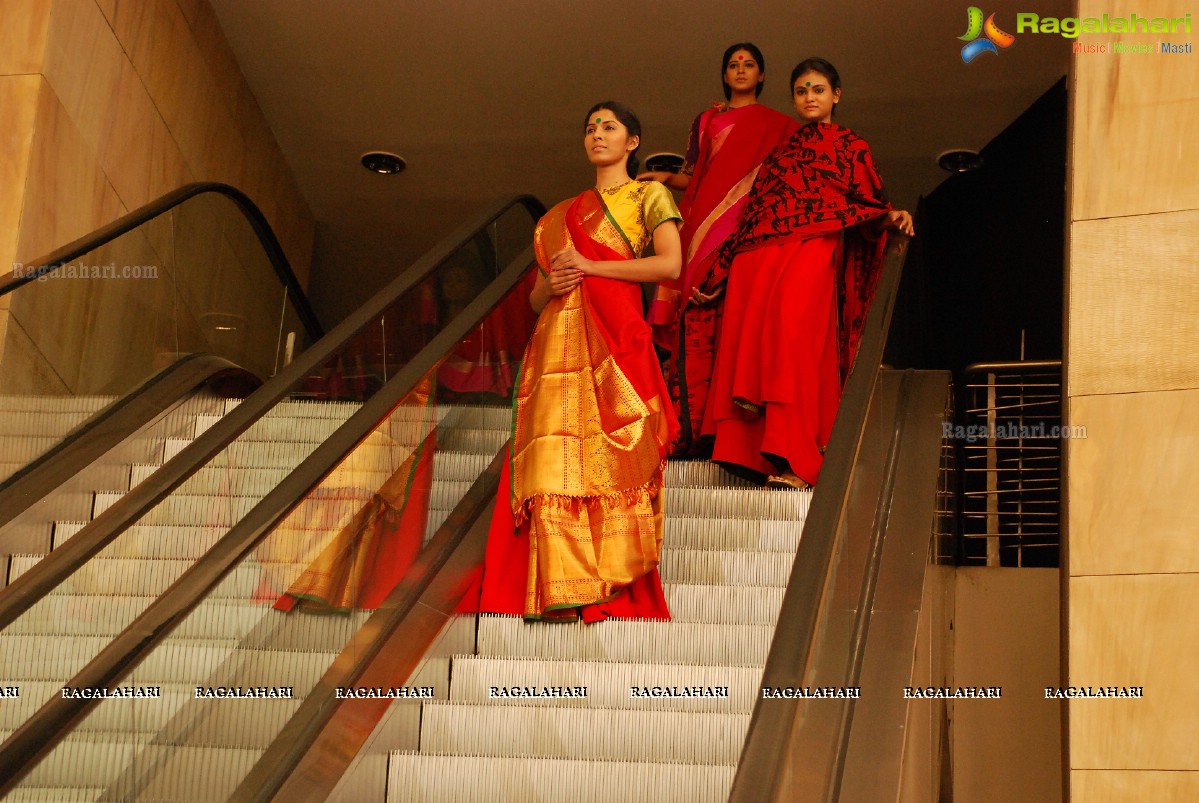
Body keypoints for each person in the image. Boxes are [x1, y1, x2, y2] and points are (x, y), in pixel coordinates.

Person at [469, 101, 683, 622]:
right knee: (554, 458)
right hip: (557, 345)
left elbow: (671, 264)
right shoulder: (556, 217)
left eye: (609, 127)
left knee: (614, 452)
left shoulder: (647, 195)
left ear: (633, 142)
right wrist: (553, 284)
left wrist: (592, 265)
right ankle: (555, 585)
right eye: (590, 128)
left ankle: (608, 577)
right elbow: (537, 298)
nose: (597, 135)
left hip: (616, 340)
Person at [704, 57, 915, 490]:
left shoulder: (850, 145)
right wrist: (720, 270)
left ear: (835, 95)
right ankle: (753, 455)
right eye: (801, 91)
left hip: (814, 249)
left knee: (794, 344)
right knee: (762, 347)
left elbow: (867, 200)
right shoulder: (781, 152)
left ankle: (799, 462)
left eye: (818, 89)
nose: (809, 97)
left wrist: (888, 216)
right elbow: (755, 212)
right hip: (759, 256)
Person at [639, 43, 798, 457]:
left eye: (749, 65)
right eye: (733, 65)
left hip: (744, 233)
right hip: (700, 232)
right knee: (693, 317)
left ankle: (722, 431)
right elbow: (696, 179)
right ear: (725, 75)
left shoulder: (778, 126)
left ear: (761, 76)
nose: (741, 70)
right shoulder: (708, 120)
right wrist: (662, 178)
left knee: (730, 321)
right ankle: (684, 429)